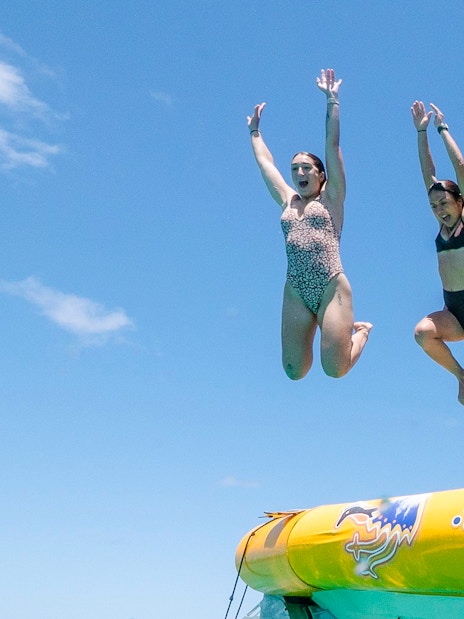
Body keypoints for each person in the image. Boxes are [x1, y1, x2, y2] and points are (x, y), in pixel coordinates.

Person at [247, 69, 371, 380]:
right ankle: (314, 326)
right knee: (294, 370)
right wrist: (254, 133)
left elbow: (332, 145)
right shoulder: (288, 200)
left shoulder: (332, 197)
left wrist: (332, 101)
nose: (299, 172)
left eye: (305, 167)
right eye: (294, 168)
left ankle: (363, 332)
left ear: (320, 174)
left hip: (331, 285)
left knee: (335, 369)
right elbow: (266, 166)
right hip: (296, 289)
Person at [411, 101, 464, 404]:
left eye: (443, 203)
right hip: (454, 312)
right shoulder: (442, 230)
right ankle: (462, 376)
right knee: (422, 333)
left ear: (459, 201)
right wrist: (421, 132)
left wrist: (442, 129)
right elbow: (427, 174)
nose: (439, 209)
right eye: (433, 206)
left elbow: (460, 168)